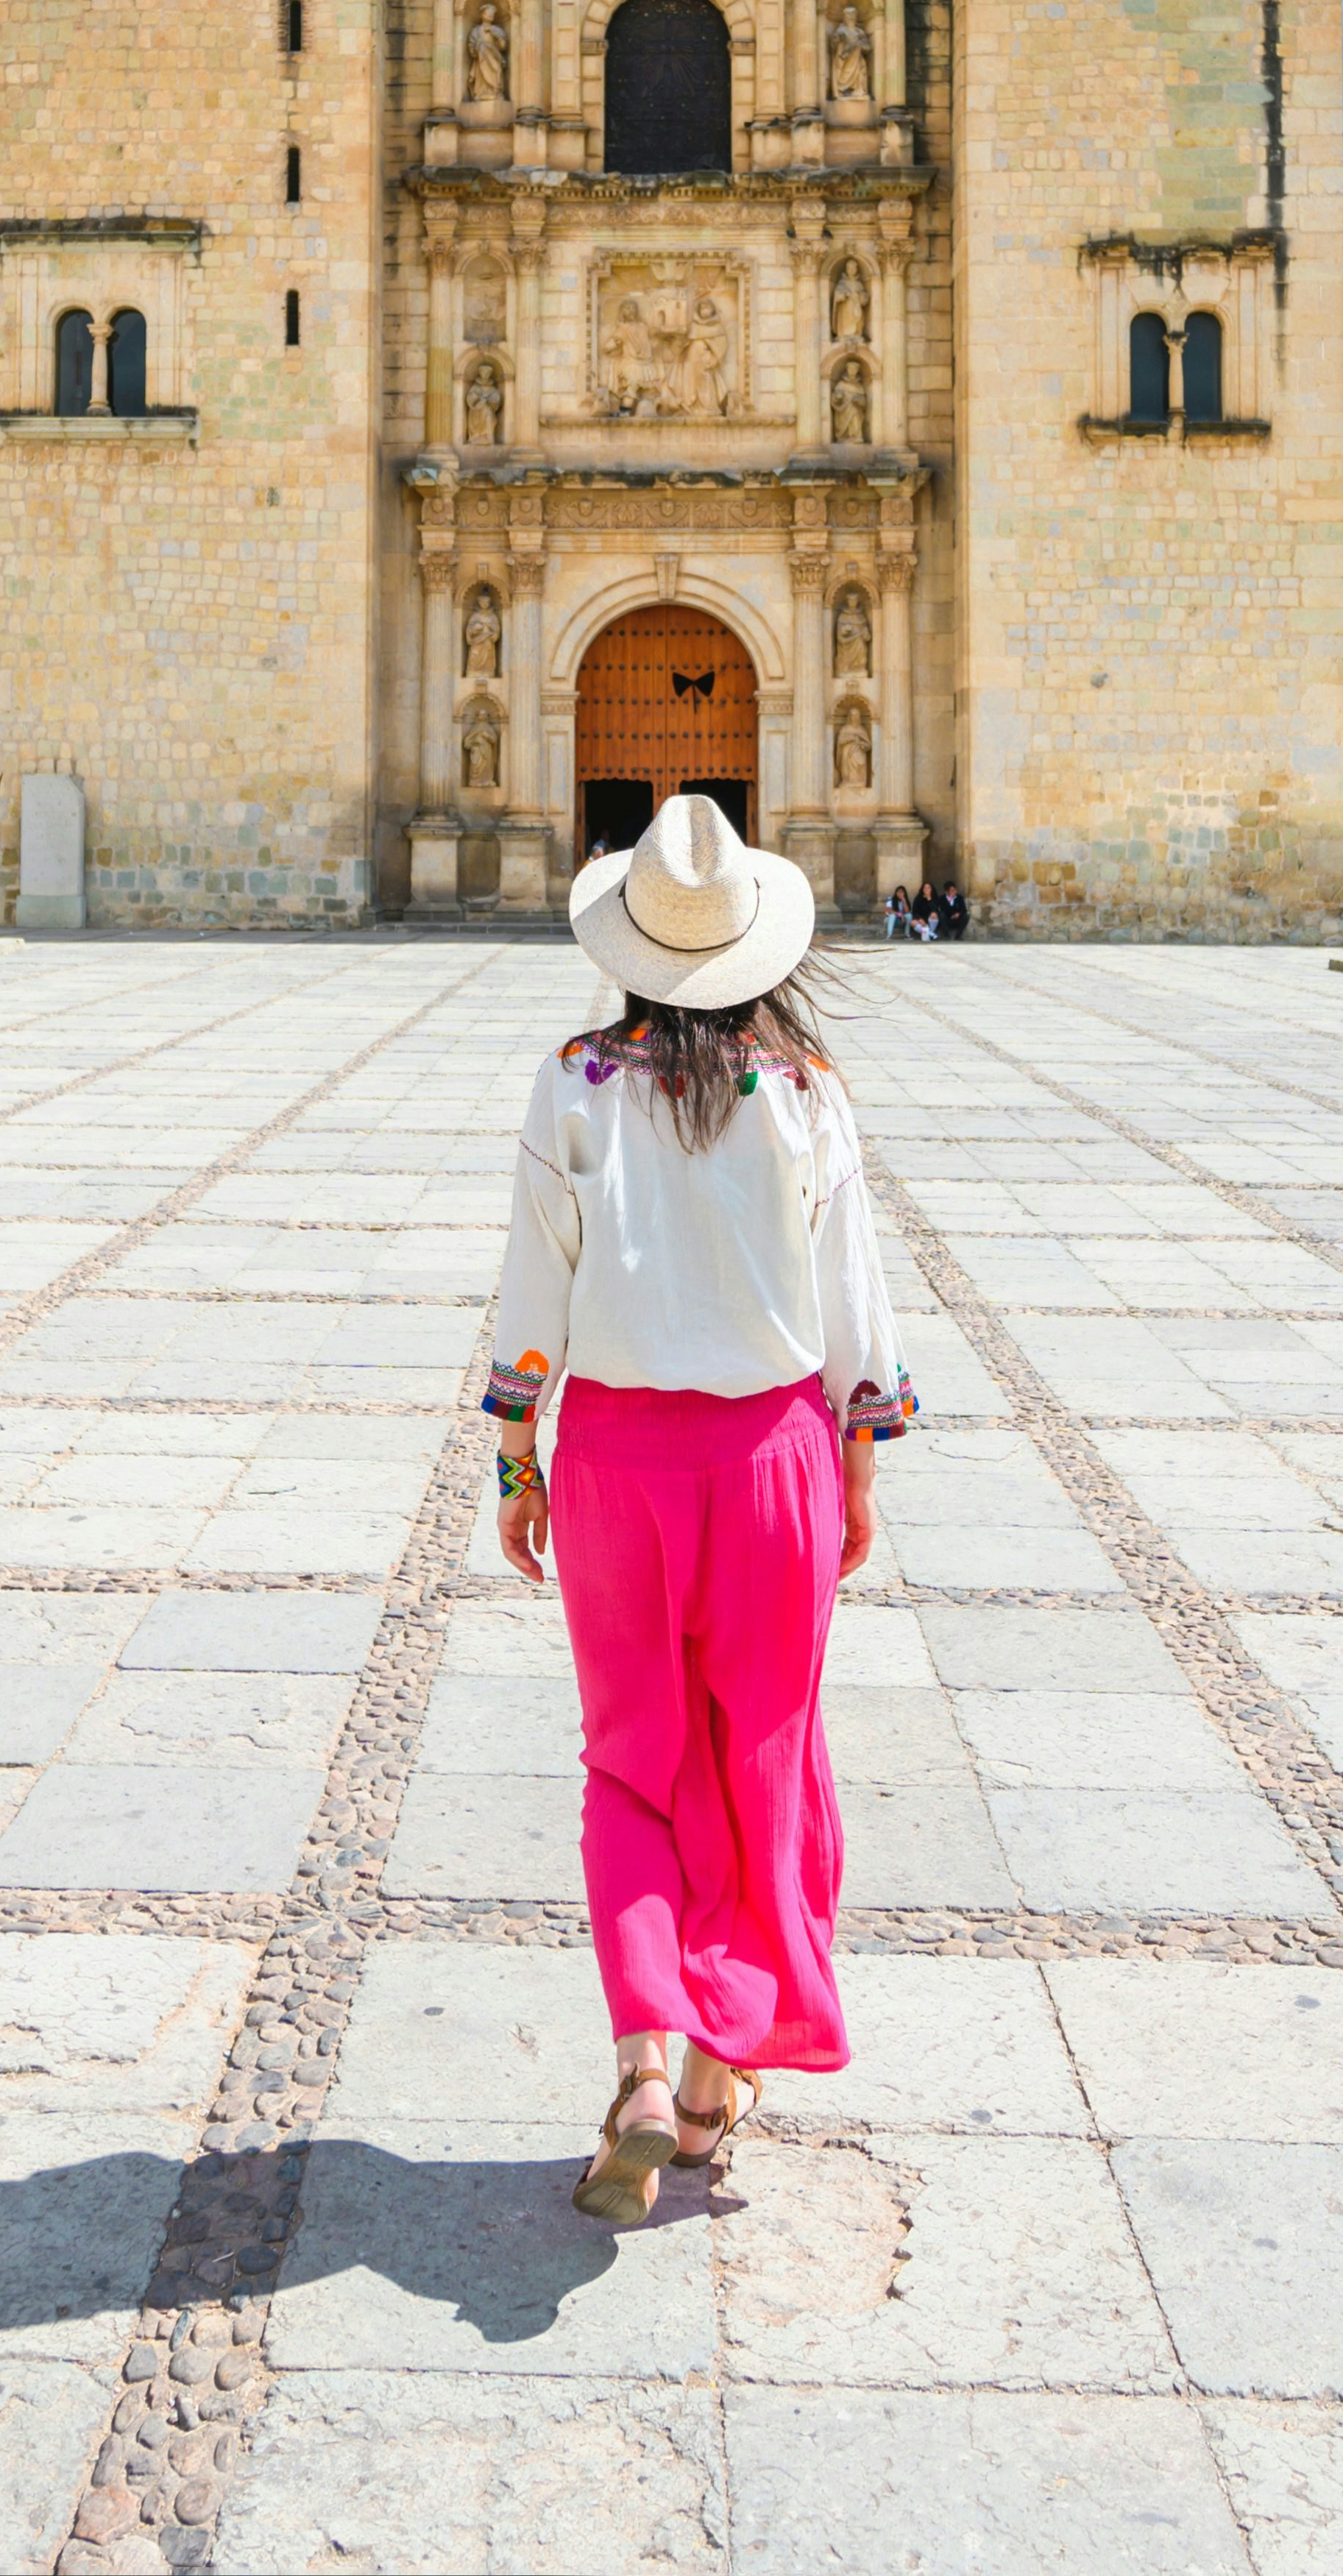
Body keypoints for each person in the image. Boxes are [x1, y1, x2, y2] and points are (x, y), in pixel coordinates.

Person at [489, 794, 913, 2226]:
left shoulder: (571, 1082)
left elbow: (528, 1299)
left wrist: (514, 1463)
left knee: (630, 1763)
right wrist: (859, 1459)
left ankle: (640, 2062)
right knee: (763, 1753)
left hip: (613, 1457)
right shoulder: (801, 1089)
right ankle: (726, 2060)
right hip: (770, 1459)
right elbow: (857, 1307)